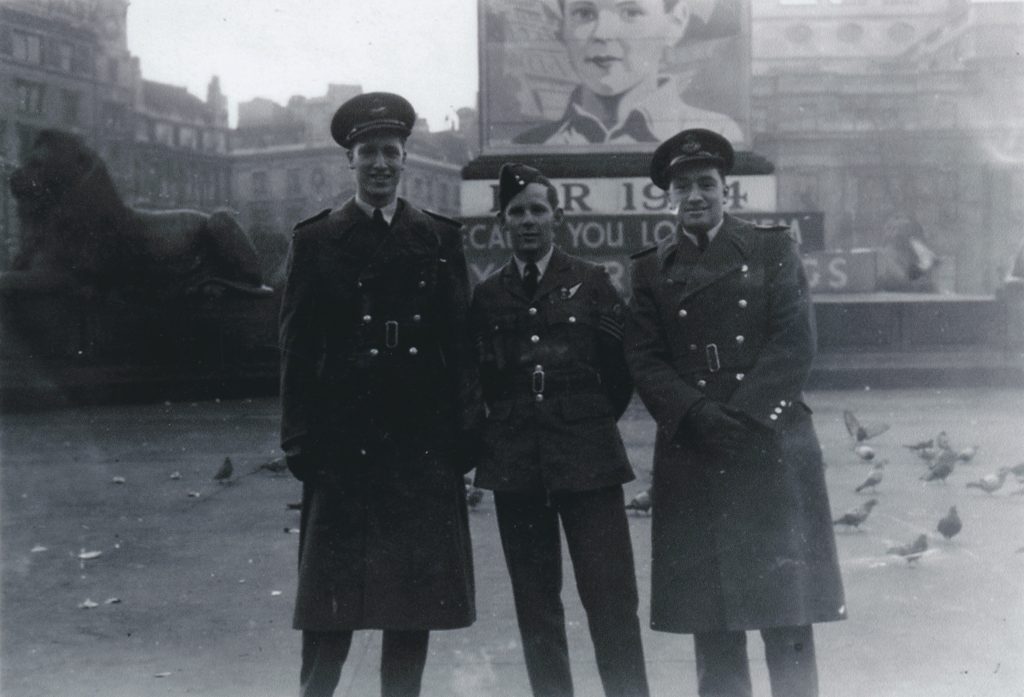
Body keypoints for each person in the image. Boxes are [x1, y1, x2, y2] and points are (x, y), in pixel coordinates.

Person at [624, 129, 846, 697]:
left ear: (727, 190)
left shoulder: (772, 249)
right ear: (667, 197)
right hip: (697, 448)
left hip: (770, 441)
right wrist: (698, 413)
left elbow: (795, 342)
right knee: (713, 616)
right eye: (682, 187)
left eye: (706, 184)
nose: (695, 195)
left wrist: (745, 417)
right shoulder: (650, 269)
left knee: (785, 608)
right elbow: (644, 359)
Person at [278, 92, 481, 697]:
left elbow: (461, 341)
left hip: (420, 441)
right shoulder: (316, 241)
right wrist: (298, 437)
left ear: (405, 159)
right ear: (350, 160)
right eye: (368, 152)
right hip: (343, 440)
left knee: (411, 600)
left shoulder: (438, 238)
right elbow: (294, 348)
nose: (380, 164)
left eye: (391, 152)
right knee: (329, 600)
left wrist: (467, 431)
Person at [470, 162, 650, 697]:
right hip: (516, 468)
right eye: (516, 212)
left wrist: (582, 423)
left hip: (589, 464)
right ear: (503, 223)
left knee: (611, 600)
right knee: (536, 606)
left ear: (558, 217)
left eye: (537, 210)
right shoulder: (487, 297)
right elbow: (481, 379)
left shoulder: (593, 283)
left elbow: (619, 374)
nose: (528, 221)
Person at [513, 0, 743, 145]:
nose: (602, 33)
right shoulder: (529, 145)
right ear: (559, 25)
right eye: (584, 13)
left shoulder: (717, 134)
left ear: (676, 22)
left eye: (630, 13)